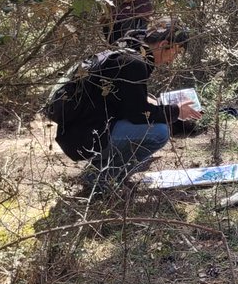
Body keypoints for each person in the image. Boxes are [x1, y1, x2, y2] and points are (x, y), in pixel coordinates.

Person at [62, 18, 201, 193]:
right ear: (165, 44)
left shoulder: (127, 50)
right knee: (159, 132)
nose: (172, 59)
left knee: (153, 125)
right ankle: (102, 181)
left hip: (79, 132)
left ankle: (98, 173)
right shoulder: (133, 63)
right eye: (176, 52)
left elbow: (122, 102)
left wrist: (149, 102)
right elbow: (139, 115)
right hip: (85, 137)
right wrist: (176, 111)